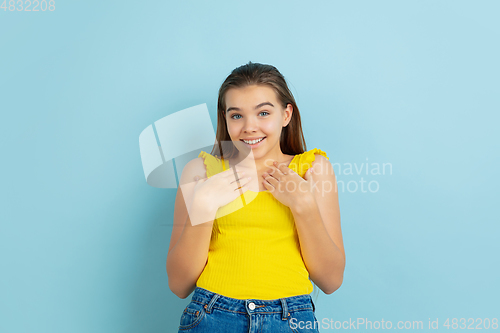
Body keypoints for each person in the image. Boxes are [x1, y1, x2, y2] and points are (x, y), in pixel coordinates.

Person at [166, 61, 345, 332]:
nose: (249, 127)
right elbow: (179, 285)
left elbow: (331, 281)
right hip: (212, 315)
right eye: (236, 115)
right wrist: (203, 206)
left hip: (289, 319)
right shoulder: (202, 172)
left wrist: (304, 206)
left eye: (263, 113)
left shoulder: (312, 170)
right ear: (225, 118)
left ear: (286, 115)